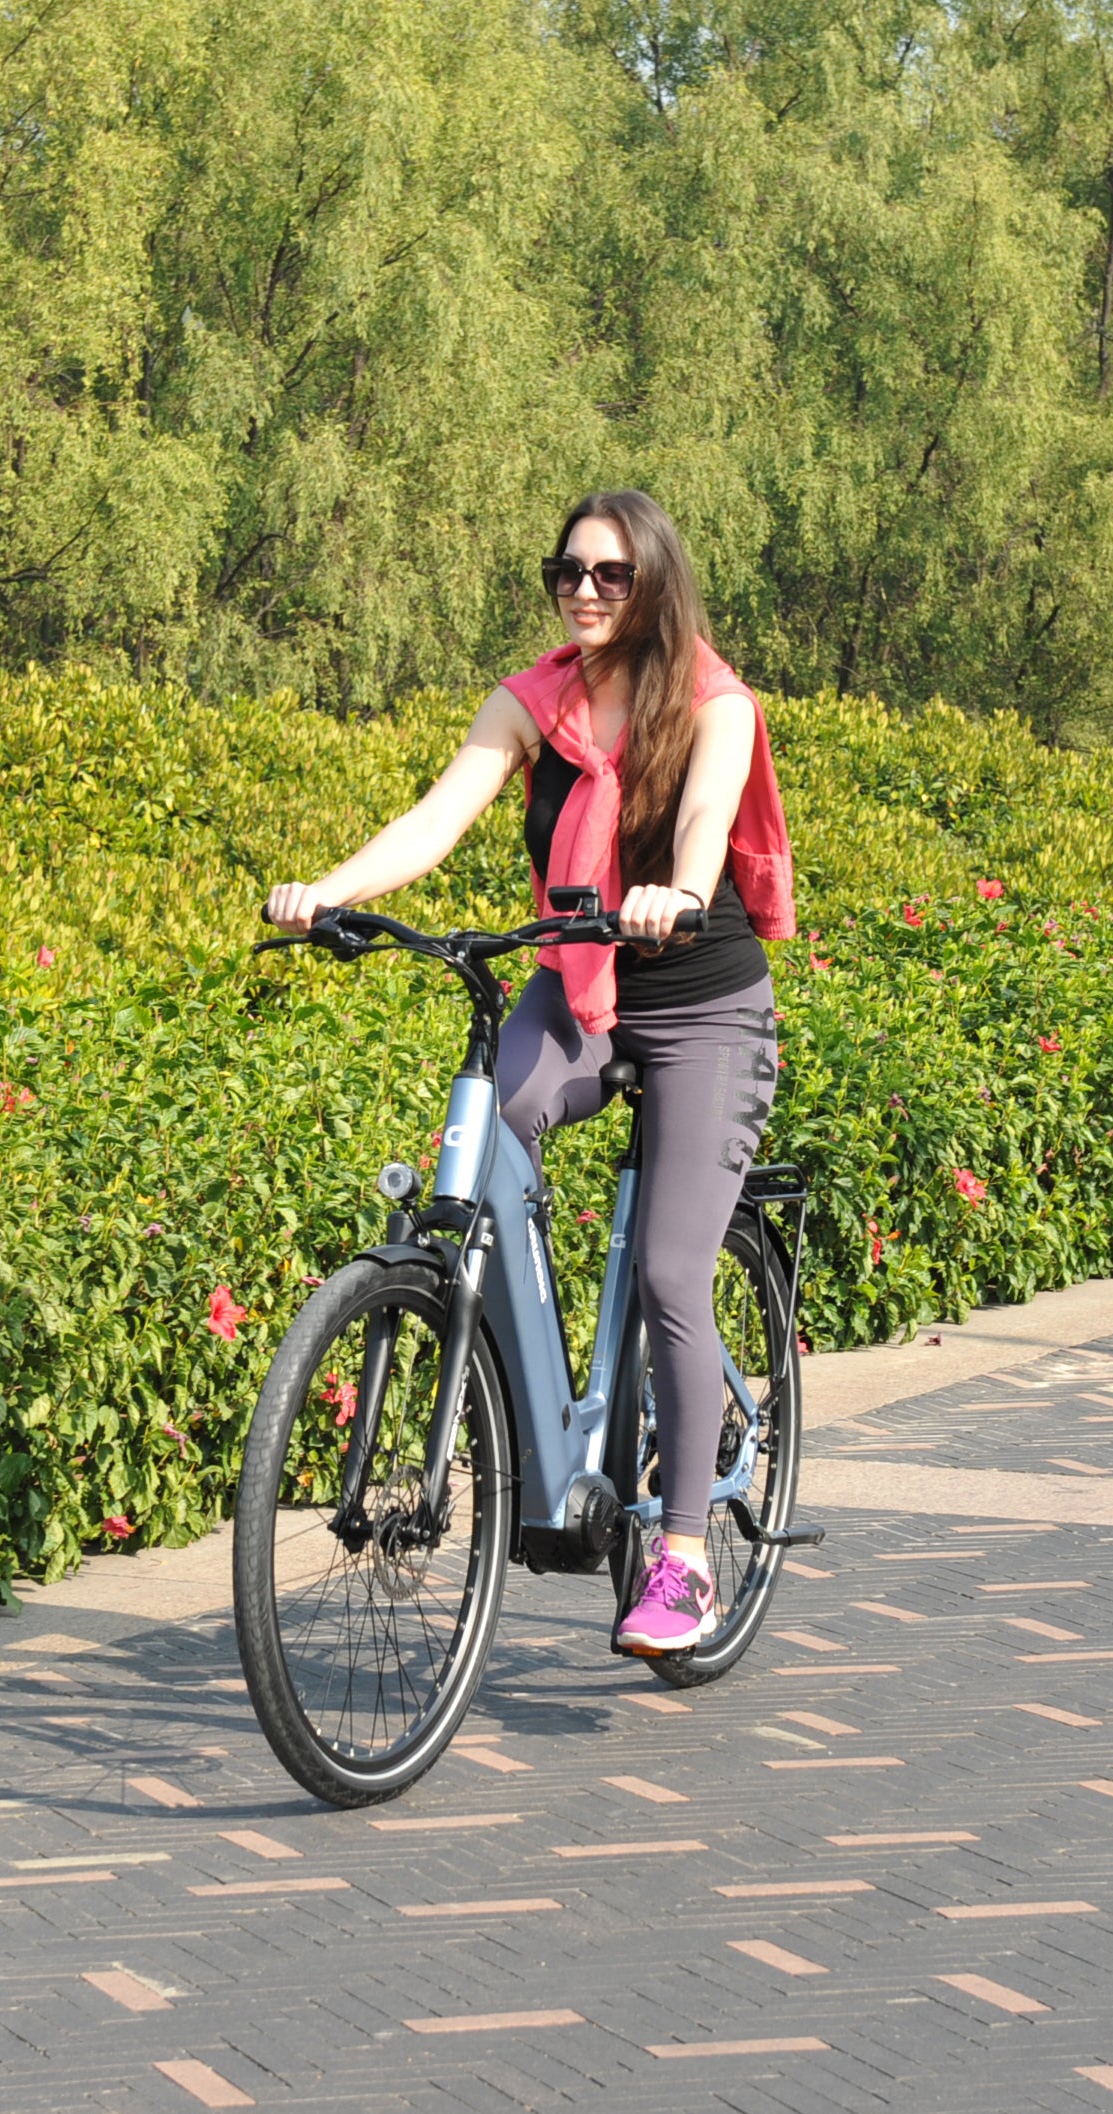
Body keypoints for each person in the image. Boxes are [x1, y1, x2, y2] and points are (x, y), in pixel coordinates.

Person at [264, 489, 794, 1654]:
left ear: (654, 583)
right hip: (581, 982)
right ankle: (525, 1417)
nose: (584, 591)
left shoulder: (716, 704)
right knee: (483, 1144)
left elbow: (705, 817)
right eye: (567, 571)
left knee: (667, 1273)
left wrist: (678, 890)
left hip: (700, 999)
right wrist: (334, 890)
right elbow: (438, 816)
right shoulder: (532, 701)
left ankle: (687, 1556)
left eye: (609, 574)